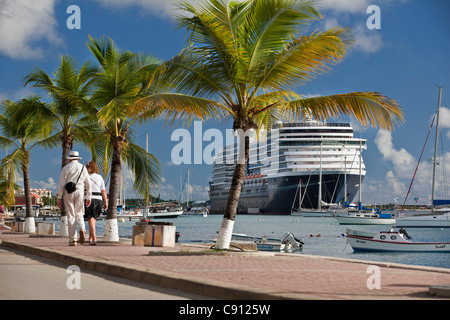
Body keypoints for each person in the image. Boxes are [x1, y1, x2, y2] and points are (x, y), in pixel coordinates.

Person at [57, 151, 91, 246]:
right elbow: (88, 183)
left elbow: (61, 183)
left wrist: (59, 197)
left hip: (68, 192)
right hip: (80, 191)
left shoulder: (66, 168)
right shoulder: (83, 167)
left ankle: (73, 240)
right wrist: (89, 196)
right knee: (79, 212)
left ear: (69, 159)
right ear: (78, 158)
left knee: (71, 216)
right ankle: (82, 228)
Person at [84, 160, 107, 245]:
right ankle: (90, 238)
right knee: (93, 219)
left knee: (90, 218)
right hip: (98, 199)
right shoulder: (99, 177)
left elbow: (82, 190)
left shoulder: (85, 177)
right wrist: (105, 202)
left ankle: (94, 238)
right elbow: (103, 191)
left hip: (88, 198)